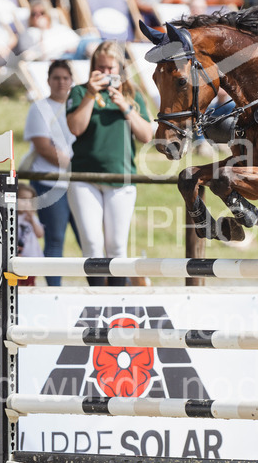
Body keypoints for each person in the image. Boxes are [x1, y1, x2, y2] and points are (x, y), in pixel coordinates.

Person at [66, 41, 155, 286]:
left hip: (121, 176)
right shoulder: (79, 91)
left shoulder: (132, 93)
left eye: (110, 69)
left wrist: (125, 107)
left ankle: (116, 299)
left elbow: (146, 135)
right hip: (85, 178)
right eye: (100, 68)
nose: (105, 74)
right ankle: (96, 296)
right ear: (92, 68)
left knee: (116, 245)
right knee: (92, 243)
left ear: (121, 68)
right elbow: (75, 128)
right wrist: (91, 96)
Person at [23, 59, 77, 286]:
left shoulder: (78, 106)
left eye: (65, 78)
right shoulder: (39, 108)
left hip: (78, 183)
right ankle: (55, 289)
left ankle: (102, 286)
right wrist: (75, 167)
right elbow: (43, 146)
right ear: (48, 81)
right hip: (49, 180)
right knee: (55, 238)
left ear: (71, 81)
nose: (61, 82)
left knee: (89, 239)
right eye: (56, 77)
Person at [15, 184, 44, 287]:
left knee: (30, 284)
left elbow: (40, 234)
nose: (26, 203)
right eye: (23, 199)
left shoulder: (32, 217)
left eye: (29, 200)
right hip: (18, 258)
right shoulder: (12, 217)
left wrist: (32, 219)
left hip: (31, 257)